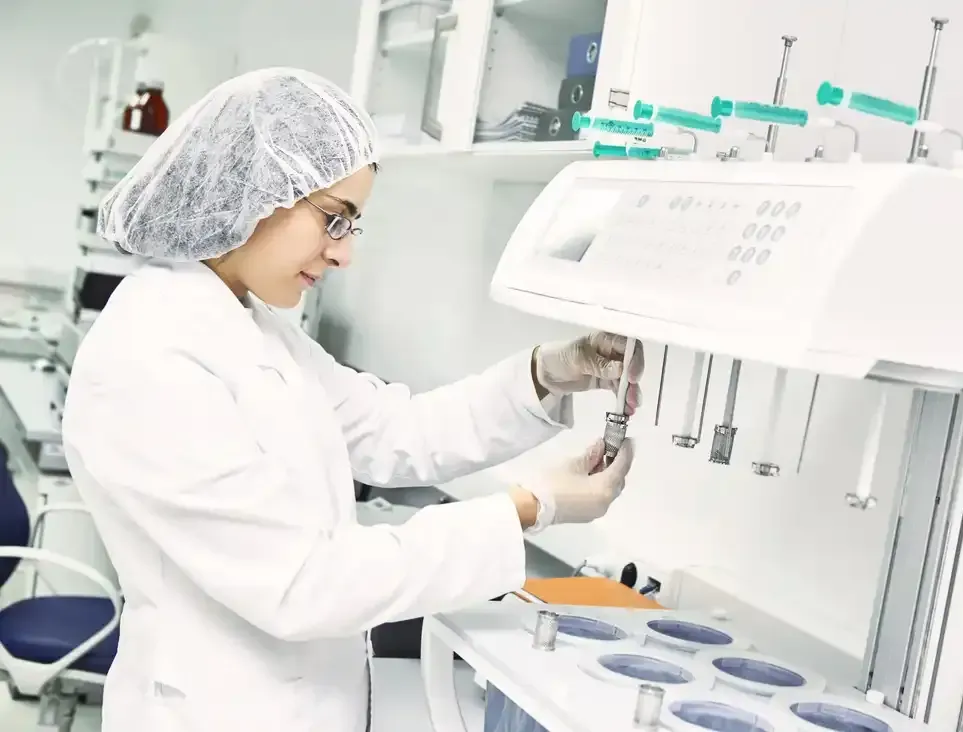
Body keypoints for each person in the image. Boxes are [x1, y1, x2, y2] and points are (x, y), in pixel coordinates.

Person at [61, 68, 644, 732]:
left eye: (352, 226)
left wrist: (546, 374)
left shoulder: (246, 324)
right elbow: (302, 583)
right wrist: (526, 509)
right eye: (333, 220)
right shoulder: (151, 356)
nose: (342, 255)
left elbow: (399, 429)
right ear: (255, 189)